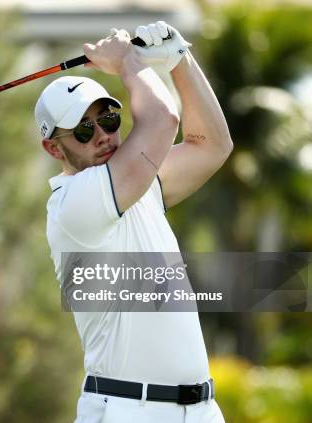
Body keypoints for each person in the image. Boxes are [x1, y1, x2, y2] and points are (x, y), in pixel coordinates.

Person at [35, 22, 232, 422]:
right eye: (84, 130)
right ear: (53, 147)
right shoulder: (74, 205)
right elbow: (162, 120)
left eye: (107, 120)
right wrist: (128, 61)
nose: (103, 136)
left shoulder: (140, 184)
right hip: (126, 409)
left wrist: (179, 58)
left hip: (200, 410)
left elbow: (212, 146)